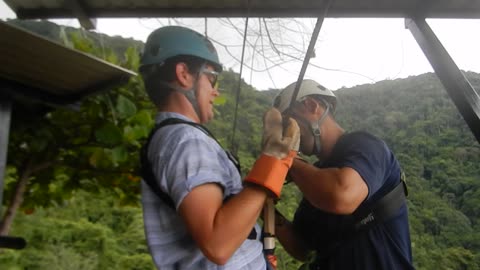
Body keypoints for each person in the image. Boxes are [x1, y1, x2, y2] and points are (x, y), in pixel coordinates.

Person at [138, 25, 300, 270]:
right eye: (211, 76)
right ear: (183, 74)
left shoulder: (172, 138)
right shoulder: (186, 141)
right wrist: (274, 162)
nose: (215, 90)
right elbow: (218, 244)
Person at [272, 79, 414, 269]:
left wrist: (288, 159)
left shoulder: (366, 146)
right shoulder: (316, 179)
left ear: (312, 106)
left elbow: (341, 195)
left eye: (287, 123)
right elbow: (302, 248)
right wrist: (268, 210)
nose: (285, 134)